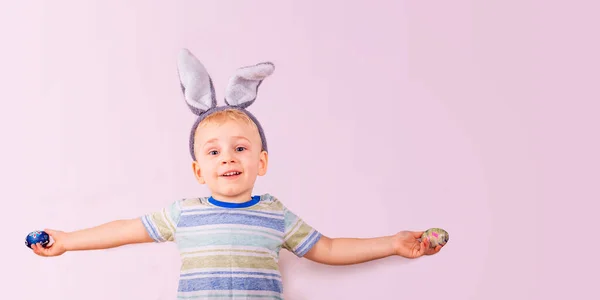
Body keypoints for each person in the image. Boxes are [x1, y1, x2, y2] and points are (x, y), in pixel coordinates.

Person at [30, 49, 444, 299]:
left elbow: (330, 249)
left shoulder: (274, 214)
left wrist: (393, 243)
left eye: (240, 148)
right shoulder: (183, 213)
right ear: (198, 170)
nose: (228, 158)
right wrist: (67, 241)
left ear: (261, 162)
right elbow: (123, 230)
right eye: (214, 151)